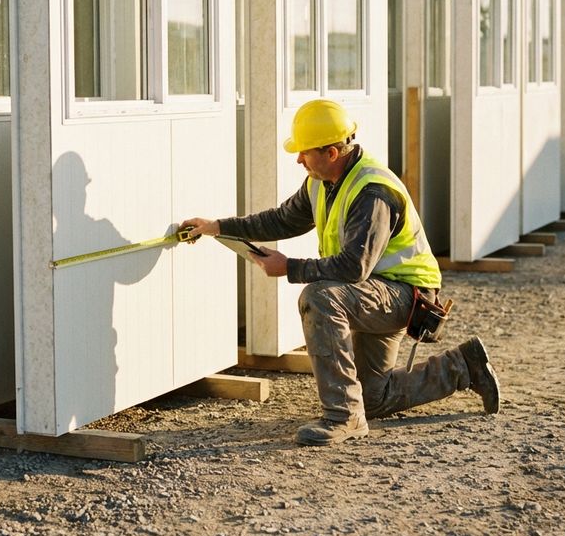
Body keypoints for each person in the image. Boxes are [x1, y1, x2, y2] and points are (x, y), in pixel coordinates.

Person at [181, 98, 500, 446]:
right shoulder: (321, 181)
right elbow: (281, 219)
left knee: (319, 297)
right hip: (374, 292)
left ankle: (342, 417)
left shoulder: (372, 192)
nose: (298, 159)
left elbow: (353, 267)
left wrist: (289, 267)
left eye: (305, 152)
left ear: (332, 153)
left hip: (406, 296)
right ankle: (463, 367)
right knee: (373, 398)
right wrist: (217, 227)